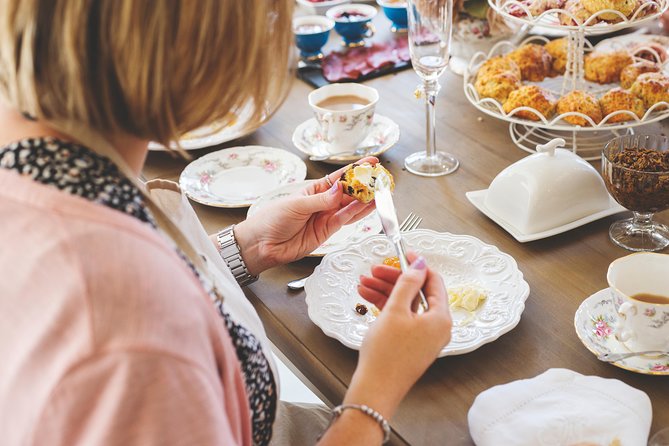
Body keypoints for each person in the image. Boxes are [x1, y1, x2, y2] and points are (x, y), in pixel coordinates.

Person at [0, 1, 452, 445]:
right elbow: (140, 322)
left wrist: (244, 248)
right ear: (196, 43)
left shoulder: (46, 161)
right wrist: (375, 394)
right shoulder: (128, 329)